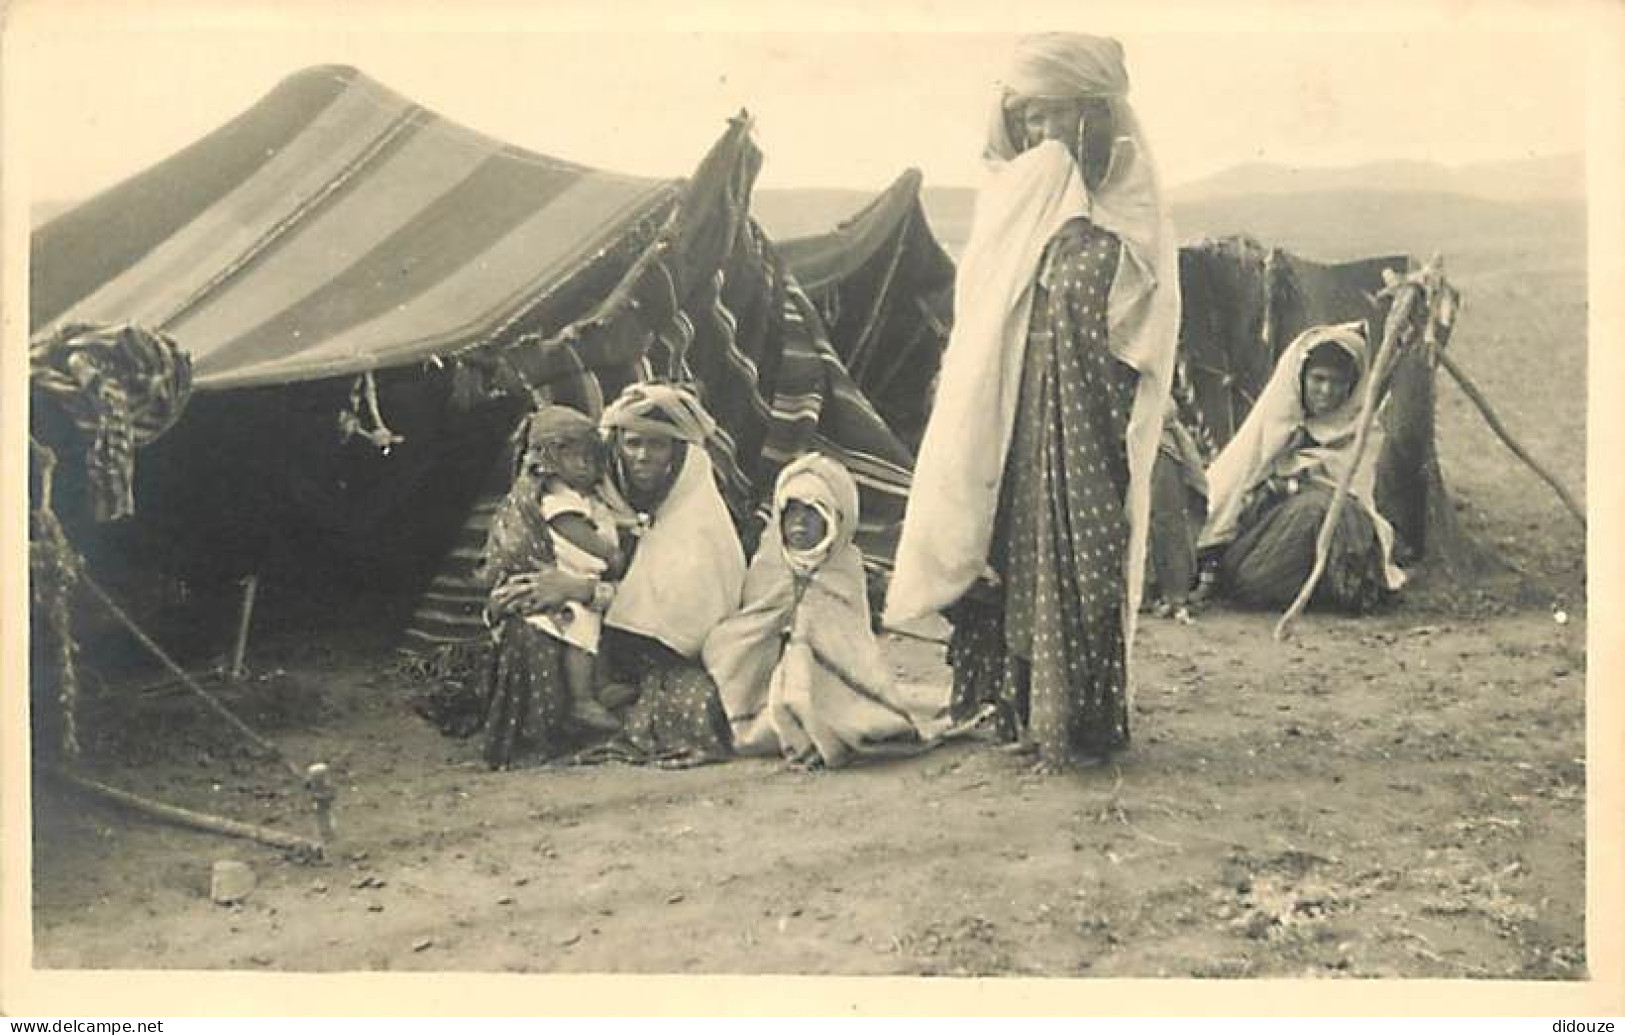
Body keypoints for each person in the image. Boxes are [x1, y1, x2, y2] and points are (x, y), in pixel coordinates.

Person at [884, 34, 1180, 772]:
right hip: (1017, 415)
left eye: (1059, 119)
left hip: (1088, 424)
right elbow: (985, 316)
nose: (1045, 138)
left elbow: (1145, 326)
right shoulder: (1015, 201)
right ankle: (1020, 709)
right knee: (1016, 553)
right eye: (1033, 121)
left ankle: (1082, 719)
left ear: (1094, 118)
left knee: (1085, 561)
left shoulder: (1130, 212)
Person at [479, 383, 746, 769]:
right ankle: (556, 724)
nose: (641, 457)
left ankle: (599, 709)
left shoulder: (699, 519)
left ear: (678, 454)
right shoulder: (599, 494)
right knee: (530, 631)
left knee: (699, 702)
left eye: (657, 446)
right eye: (633, 443)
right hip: (595, 638)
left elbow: (678, 610)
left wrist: (581, 589)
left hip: (663, 653)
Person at [704, 453, 948, 769]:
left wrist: (806, 638)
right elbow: (752, 619)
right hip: (763, 671)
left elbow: (851, 644)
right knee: (722, 648)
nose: (799, 523)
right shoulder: (770, 559)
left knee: (814, 673)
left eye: (812, 512)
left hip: (825, 680)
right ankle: (763, 717)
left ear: (835, 519)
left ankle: (812, 718)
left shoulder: (843, 568)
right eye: (790, 512)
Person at [1192, 323, 1407, 612]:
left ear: (1353, 386)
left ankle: (1336, 585)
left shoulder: (1361, 431)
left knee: (1318, 508)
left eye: (1338, 383)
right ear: (1299, 379)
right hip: (1265, 538)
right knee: (1252, 577)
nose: (1326, 391)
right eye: (1318, 379)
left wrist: (1297, 485)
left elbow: (1355, 490)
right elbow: (1232, 489)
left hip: (1333, 533)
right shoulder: (1273, 428)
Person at [518, 405, 625, 734]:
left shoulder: (583, 494)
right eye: (578, 458)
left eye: (591, 459)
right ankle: (582, 699)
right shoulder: (558, 500)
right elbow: (577, 534)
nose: (587, 466)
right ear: (551, 460)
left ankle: (602, 683)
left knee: (601, 628)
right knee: (582, 630)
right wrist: (609, 552)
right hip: (568, 574)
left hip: (586, 577)